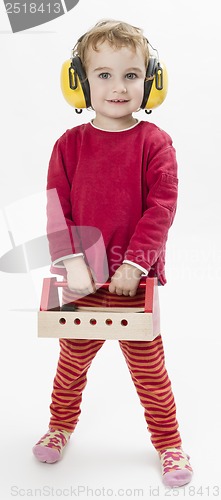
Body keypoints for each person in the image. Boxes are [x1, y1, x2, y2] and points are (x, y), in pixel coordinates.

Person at [33, 19, 193, 488]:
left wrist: (134, 263)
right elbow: (55, 207)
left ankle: (169, 444)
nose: (118, 87)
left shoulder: (155, 143)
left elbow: (161, 207)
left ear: (151, 82)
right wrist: (73, 260)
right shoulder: (69, 145)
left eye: (131, 75)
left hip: (133, 283)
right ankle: (61, 426)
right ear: (79, 81)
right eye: (102, 74)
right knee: (70, 365)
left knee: (150, 373)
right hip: (81, 283)